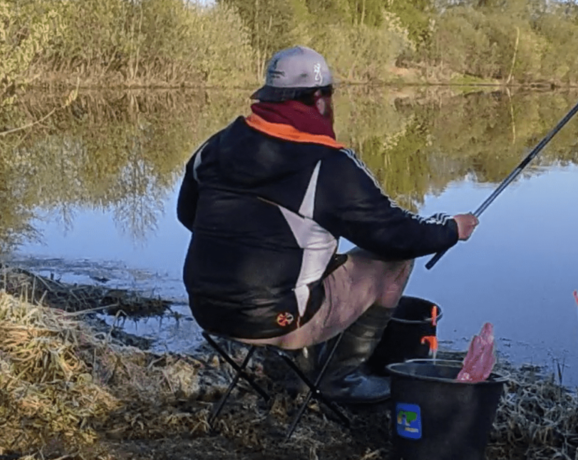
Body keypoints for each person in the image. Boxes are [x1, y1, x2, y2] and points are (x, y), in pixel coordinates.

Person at [176, 45, 478, 404]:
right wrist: (450, 229)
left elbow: (188, 215)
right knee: (393, 262)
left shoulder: (215, 146)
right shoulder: (327, 164)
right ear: (319, 100)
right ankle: (341, 377)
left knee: (314, 254)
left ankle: (298, 368)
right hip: (276, 320)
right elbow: (395, 237)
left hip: (206, 310)